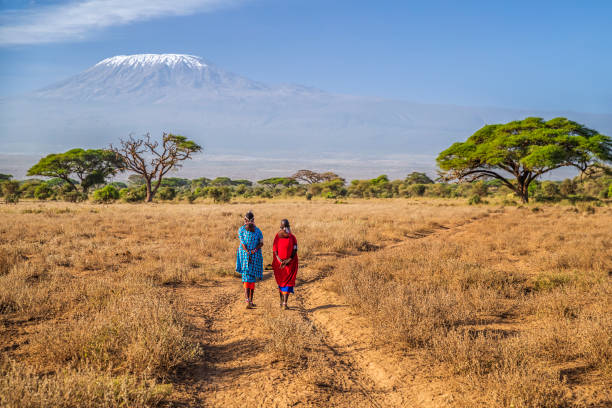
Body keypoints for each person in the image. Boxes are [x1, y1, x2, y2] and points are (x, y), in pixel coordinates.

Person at [236, 211, 264, 309]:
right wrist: (250, 251)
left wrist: (251, 251)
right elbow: (243, 244)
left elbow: (261, 243)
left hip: (251, 255)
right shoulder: (242, 230)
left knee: (248, 278)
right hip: (246, 255)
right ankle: (249, 300)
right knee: (248, 277)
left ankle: (249, 300)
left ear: (245, 220)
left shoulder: (256, 230)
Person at [272, 219, 298, 310]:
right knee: (284, 282)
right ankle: (284, 303)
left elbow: (275, 250)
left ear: (281, 226)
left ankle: (283, 302)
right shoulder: (290, 237)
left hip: (286, 264)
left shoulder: (290, 237)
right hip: (283, 264)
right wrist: (283, 260)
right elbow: (275, 250)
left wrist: (284, 260)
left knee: (283, 282)